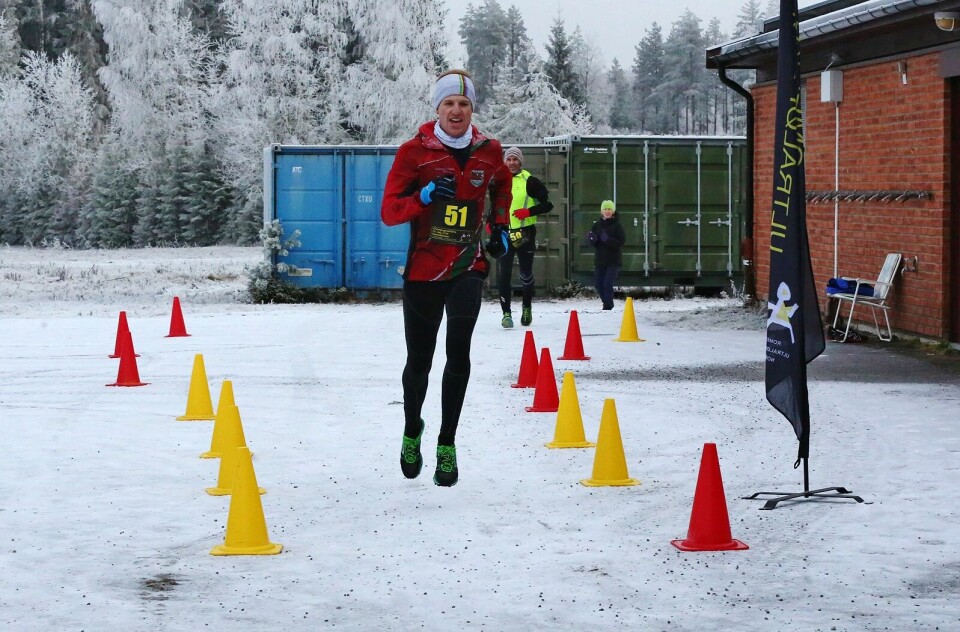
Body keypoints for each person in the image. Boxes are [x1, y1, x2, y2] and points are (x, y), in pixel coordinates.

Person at [381, 69, 512, 487]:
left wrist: (500, 228)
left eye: (464, 104)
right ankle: (411, 428)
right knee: (419, 361)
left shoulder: (490, 151)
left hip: (466, 268)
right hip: (422, 271)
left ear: (472, 109)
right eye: (449, 104)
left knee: (458, 352)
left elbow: (503, 186)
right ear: (437, 108)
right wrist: (421, 198)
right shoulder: (412, 153)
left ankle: (447, 443)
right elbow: (389, 212)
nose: (457, 111)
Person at [497, 147, 553, 328]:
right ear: (504, 162)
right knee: (503, 274)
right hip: (505, 233)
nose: (512, 163)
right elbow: (495, 206)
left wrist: (528, 211)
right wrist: (492, 223)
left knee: (525, 273)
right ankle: (506, 314)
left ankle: (527, 308)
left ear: (521, 162)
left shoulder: (530, 181)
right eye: (509, 159)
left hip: (525, 233)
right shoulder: (499, 181)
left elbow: (548, 204)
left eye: (515, 160)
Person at [586, 199, 626, 310]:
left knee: (607, 284)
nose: (607, 211)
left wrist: (608, 240)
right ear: (601, 211)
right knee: (598, 284)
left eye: (609, 209)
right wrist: (591, 239)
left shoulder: (617, 225)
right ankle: (607, 303)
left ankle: (608, 307)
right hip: (600, 260)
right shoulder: (597, 225)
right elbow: (591, 241)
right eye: (605, 209)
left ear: (613, 211)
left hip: (613, 261)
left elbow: (621, 242)